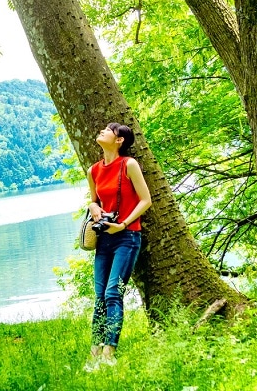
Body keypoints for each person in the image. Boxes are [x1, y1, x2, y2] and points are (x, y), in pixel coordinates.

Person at [84, 122, 152, 372]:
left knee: (113, 294)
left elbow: (146, 200)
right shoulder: (93, 170)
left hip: (127, 237)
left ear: (119, 140)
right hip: (104, 240)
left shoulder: (129, 165)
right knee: (100, 297)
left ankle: (109, 353)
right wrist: (93, 207)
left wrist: (123, 224)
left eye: (108, 129)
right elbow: (93, 200)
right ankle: (93, 355)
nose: (101, 130)